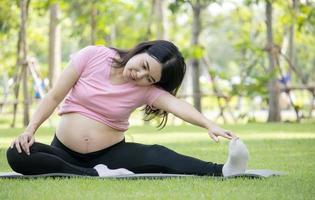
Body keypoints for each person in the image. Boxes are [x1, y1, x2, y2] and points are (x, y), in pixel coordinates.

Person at [6, 40, 248, 177]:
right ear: (142, 50)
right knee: (16, 154)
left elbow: (176, 105)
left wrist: (210, 124)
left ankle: (224, 171)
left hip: (110, 153)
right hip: (64, 151)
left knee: (160, 155)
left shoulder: (146, 90)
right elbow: (54, 96)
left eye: (149, 78)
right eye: (144, 65)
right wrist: (30, 130)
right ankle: (96, 173)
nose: (140, 75)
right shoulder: (93, 56)